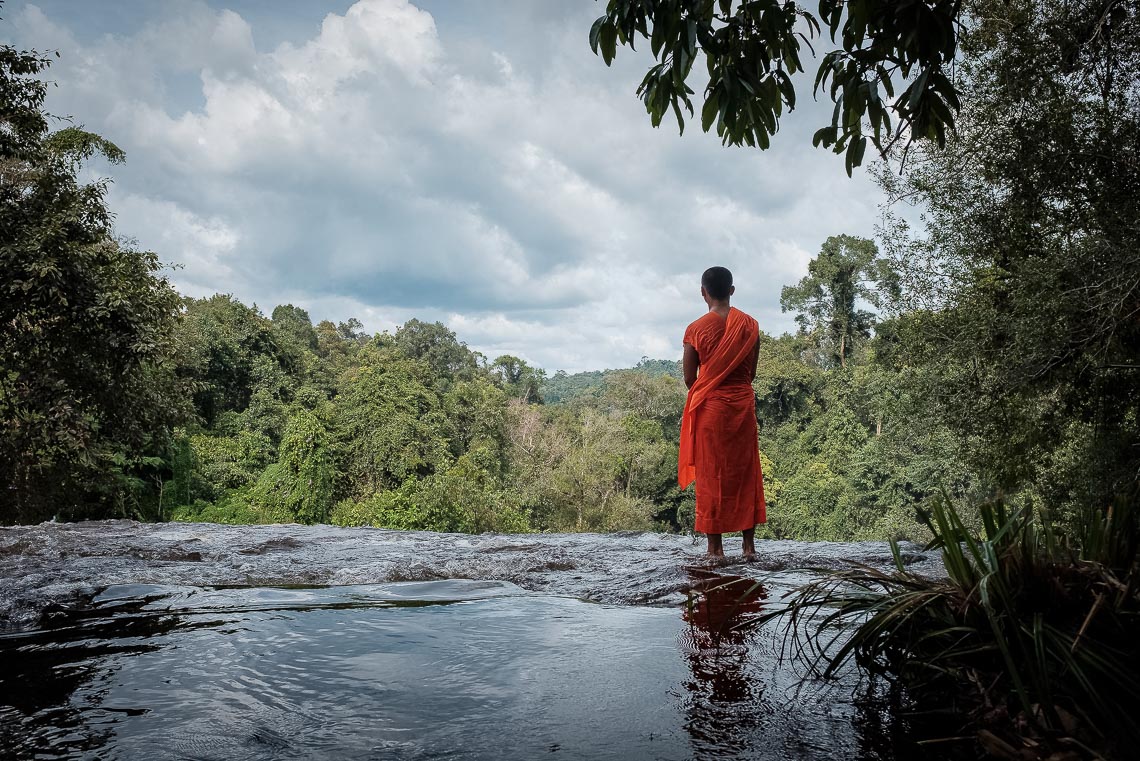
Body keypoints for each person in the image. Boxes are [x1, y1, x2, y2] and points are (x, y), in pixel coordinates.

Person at [678, 266, 766, 558]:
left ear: (703, 292)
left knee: (711, 473)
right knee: (746, 471)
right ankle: (748, 546)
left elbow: (690, 378)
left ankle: (715, 549)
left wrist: (712, 384)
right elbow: (750, 373)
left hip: (711, 408)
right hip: (742, 404)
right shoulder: (750, 325)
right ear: (731, 290)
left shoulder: (696, 329)